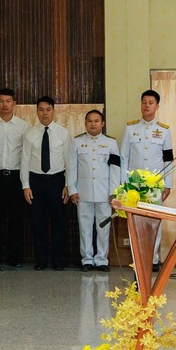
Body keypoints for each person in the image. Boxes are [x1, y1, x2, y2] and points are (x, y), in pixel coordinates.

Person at [121, 91, 175, 260]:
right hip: (134, 185)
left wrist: (168, 184)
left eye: (151, 103)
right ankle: (137, 259)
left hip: (155, 184)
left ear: (157, 106)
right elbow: (124, 157)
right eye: (144, 102)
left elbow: (168, 159)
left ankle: (153, 258)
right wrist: (124, 183)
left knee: (154, 222)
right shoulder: (130, 128)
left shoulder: (164, 130)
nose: (146, 106)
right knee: (135, 223)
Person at [21, 97, 73, 270]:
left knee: (59, 222)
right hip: (36, 182)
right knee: (38, 223)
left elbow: (69, 161)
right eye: (41, 109)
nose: (45, 113)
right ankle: (41, 260)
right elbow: (25, 160)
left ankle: (58, 261)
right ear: (37, 111)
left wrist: (68, 185)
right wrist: (25, 185)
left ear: (54, 111)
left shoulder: (63, 133)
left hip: (57, 181)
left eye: (48, 109)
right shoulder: (30, 134)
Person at [66, 109, 120, 269]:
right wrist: (72, 189)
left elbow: (115, 169)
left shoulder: (111, 143)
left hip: (105, 193)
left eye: (96, 121)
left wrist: (114, 191)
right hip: (83, 193)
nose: (93, 124)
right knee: (85, 227)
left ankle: (102, 259)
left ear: (102, 123)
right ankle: (87, 259)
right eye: (89, 121)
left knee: (103, 228)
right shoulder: (77, 142)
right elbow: (71, 167)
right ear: (85, 123)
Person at [0, 89, 29, 267]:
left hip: (15, 176)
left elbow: (26, 154)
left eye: (8, 101)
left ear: (14, 103)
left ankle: (15, 257)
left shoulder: (23, 126)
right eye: (1, 101)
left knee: (16, 218)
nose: (5, 105)